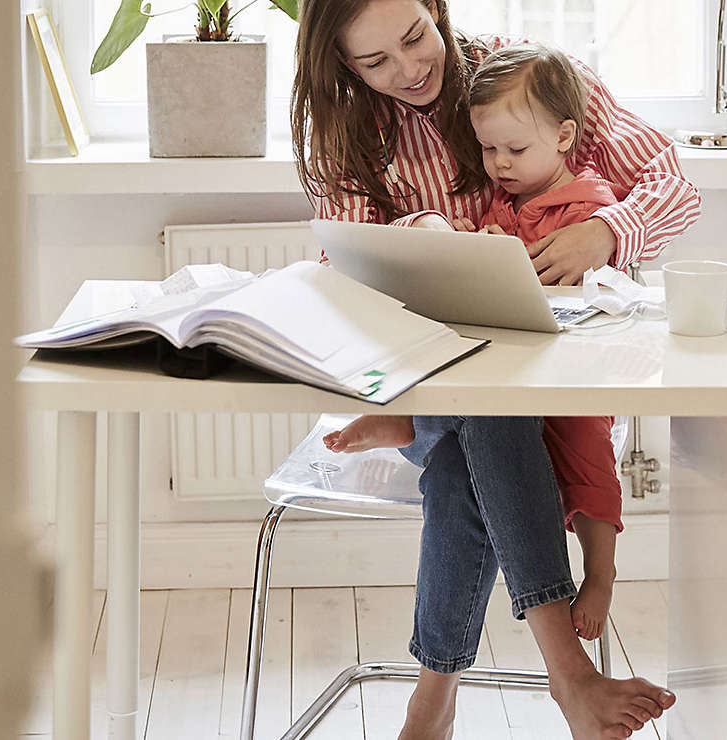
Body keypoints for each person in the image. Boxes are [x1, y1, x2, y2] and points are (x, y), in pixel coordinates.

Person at [293, 2, 701, 737]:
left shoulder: (529, 75)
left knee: (463, 462)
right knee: (487, 408)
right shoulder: (345, 134)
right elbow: (345, 270)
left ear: (437, 9)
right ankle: (568, 674)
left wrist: (609, 230)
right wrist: (418, 236)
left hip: (541, 384)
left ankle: (432, 701)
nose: (411, 70)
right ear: (344, 67)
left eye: (417, 37)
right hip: (431, 376)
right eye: (376, 62)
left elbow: (671, 180)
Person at [329, 42, 629, 643]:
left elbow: (609, 291)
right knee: (487, 414)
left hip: (564, 378)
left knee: (579, 459)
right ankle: (559, 666)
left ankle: (599, 573)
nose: (498, 162)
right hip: (503, 377)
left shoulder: (589, 206)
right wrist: (470, 247)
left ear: (566, 137)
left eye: (514, 149)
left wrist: (597, 245)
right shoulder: (503, 198)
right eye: (488, 149)